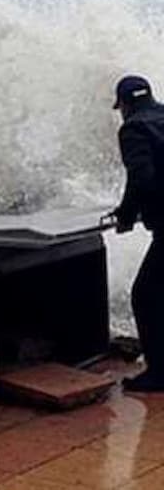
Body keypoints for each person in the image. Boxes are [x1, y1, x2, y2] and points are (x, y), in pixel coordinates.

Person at [110, 74, 164, 393]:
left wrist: (126, 215)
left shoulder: (133, 129)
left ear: (126, 105)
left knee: (146, 295)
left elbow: (141, 178)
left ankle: (158, 374)